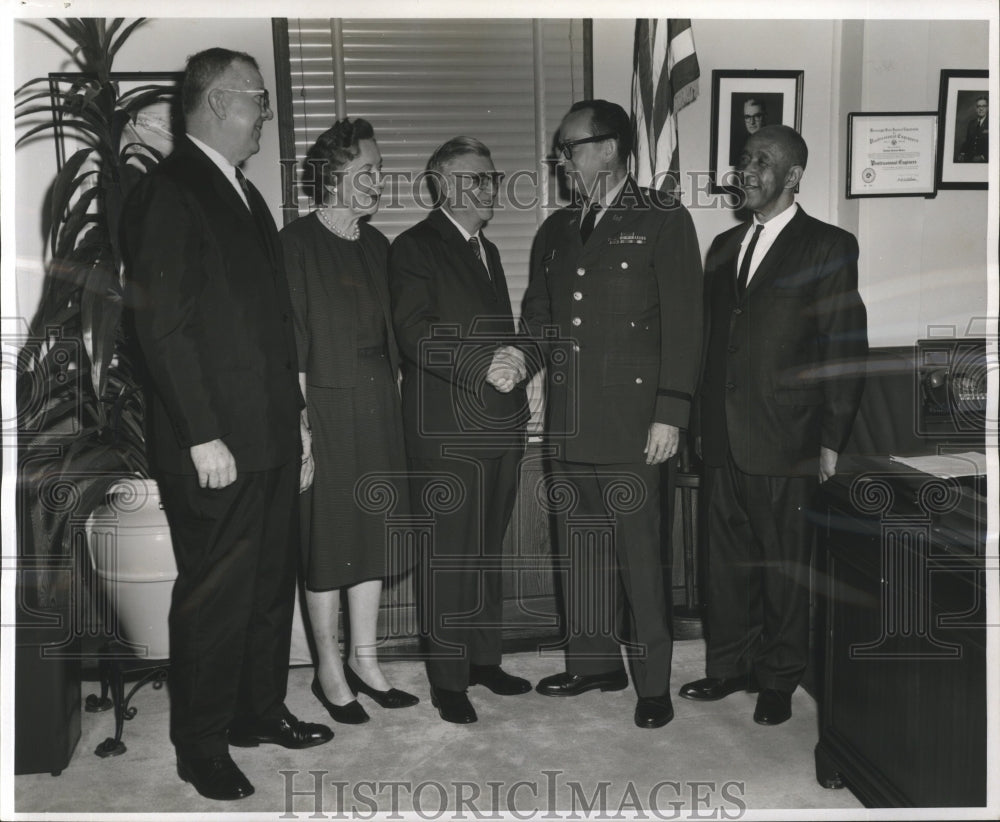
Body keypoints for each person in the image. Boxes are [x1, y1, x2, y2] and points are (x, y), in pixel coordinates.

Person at [123, 48, 332, 802]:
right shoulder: (171, 192)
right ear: (217, 103)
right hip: (214, 446)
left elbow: (269, 327)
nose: (265, 116)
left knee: (269, 587)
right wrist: (199, 433)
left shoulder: (241, 190)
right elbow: (164, 331)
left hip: (271, 436)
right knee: (215, 599)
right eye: (258, 101)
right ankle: (201, 745)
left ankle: (257, 711)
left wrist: (299, 425)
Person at [522, 100, 704, 729]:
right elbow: (539, 312)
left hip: (634, 426)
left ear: (608, 148)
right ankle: (593, 662)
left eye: (568, 148)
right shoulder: (557, 229)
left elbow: (685, 325)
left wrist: (670, 415)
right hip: (570, 422)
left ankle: (652, 683)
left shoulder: (662, 218)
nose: (561, 161)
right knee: (581, 549)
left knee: (641, 557)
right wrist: (533, 367)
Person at [680, 124, 868, 726]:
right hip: (722, 438)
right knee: (725, 563)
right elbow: (709, 344)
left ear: (792, 177)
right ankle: (729, 666)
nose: (746, 171)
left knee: (785, 566)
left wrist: (832, 441)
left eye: (761, 161)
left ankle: (780, 678)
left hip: (789, 441)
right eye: (742, 161)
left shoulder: (829, 246)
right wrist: (696, 427)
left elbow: (844, 348)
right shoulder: (721, 248)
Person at [389, 136, 532, 724]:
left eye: (493, 177)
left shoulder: (489, 251)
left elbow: (504, 334)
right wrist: (484, 367)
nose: (490, 188)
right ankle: (448, 681)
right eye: (477, 178)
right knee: (449, 556)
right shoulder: (414, 248)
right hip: (446, 433)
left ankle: (483, 660)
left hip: (501, 426)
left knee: (486, 553)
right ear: (444, 185)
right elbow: (414, 333)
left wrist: (520, 365)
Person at [280, 119, 419, 727]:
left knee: (370, 539)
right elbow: (292, 349)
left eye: (380, 172)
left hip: (377, 407)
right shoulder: (294, 246)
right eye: (367, 172)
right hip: (326, 411)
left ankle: (367, 661)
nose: (377, 183)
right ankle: (328, 671)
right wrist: (302, 432)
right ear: (332, 175)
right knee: (327, 543)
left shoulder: (378, 246)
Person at [959, 95, 988, 162]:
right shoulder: (971, 123)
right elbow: (967, 141)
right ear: (976, 109)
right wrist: (962, 153)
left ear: (987, 108)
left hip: (985, 162)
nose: (981, 109)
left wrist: (983, 157)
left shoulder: (993, 123)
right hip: (969, 158)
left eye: (983, 106)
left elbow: (996, 145)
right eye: (978, 106)